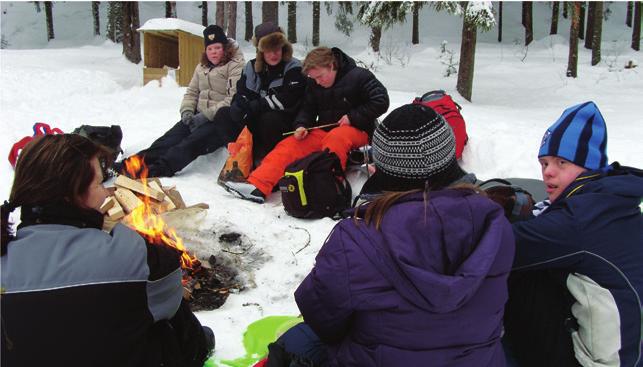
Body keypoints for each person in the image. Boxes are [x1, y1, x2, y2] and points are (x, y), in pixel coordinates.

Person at [262, 104, 515, 367]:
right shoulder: (494, 225)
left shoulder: (357, 238)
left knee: (296, 341)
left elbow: (322, 317)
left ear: (384, 166)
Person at [1, 134, 214, 367]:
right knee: (168, 322)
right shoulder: (133, 254)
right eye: (98, 184)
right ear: (70, 194)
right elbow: (170, 299)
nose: (105, 193)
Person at [503, 101, 643, 367]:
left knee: (511, 278)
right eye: (544, 163)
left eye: (562, 162)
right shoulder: (611, 200)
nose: (548, 172)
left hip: (600, 362)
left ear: (589, 166)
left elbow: (503, 246)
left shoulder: (582, 219)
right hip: (626, 350)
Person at [223, 46, 390, 203]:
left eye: (320, 76)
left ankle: (331, 190)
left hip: (358, 130)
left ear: (332, 65)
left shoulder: (359, 76)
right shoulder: (313, 83)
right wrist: (301, 125)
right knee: (291, 145)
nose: (317, 82)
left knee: (336, 139)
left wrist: (352, 117)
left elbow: (381, 100)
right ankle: (257, 186)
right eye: (313, 78)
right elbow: (307, 109)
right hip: (325, 129)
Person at [121, 24, 245, 178]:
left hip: (220, 121)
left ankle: (159, 169)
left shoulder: (236, 65)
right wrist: (187, 111)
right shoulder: (202, 67)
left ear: (225, 48)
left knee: (189, 143)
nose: (213, 52)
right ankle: (131, 164)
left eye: (217, 48)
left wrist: (204, 116)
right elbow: (192, 92)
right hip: (197, 115)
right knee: (168, 139)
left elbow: (231, 99)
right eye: (210, 49)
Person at [228, 22, 306, 162]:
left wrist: (258, 104)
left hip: (283, 122)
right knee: (226, 114)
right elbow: (242, 91)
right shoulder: (251, 67)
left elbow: (290, 98)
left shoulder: (293, 67)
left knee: (268, 120)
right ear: (261, 51)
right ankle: (240, 157)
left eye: (277, 49)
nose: (274, 54)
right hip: (256, 117)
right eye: (268, 51)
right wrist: (239, 104)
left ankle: (270, 160)